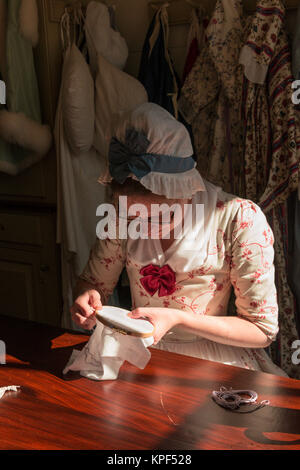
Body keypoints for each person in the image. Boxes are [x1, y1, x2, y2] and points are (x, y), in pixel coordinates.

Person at [70, 102, 287, 377]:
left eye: (161, 216)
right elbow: (93, 283)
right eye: (133, 216)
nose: (143, 228)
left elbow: (262, 329)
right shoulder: (119, 216)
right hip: (138, 355)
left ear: (186, 189)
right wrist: (87, 296)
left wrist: (178, 319)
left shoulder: (237, 219)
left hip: (212, 362)